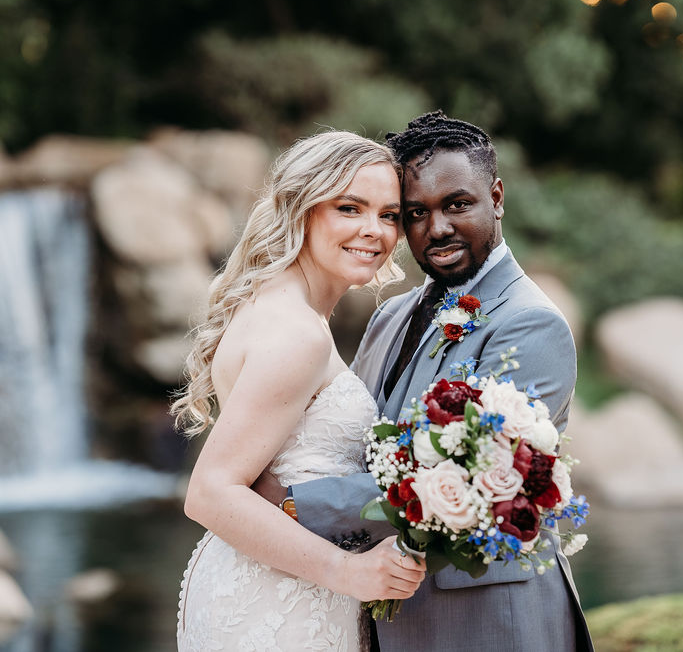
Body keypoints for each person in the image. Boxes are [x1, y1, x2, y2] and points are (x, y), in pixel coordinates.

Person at [258, 112, 594, 651]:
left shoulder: (531, 323)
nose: (436, 228)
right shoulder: (390, 315)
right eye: (416, 213)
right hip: (386, 606)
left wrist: (293, 503)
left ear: (497, 197)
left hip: (491, 618)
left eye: (457, 204)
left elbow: (466, 478)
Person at [173, 131, 426, 652]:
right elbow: (210, 492)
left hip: (266, 581)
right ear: (303, 209)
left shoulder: (279, 304)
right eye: (349, 208)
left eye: (389, 215)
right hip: (282, 605)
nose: (373, 231)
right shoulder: (298, 333)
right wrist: (350, 572)